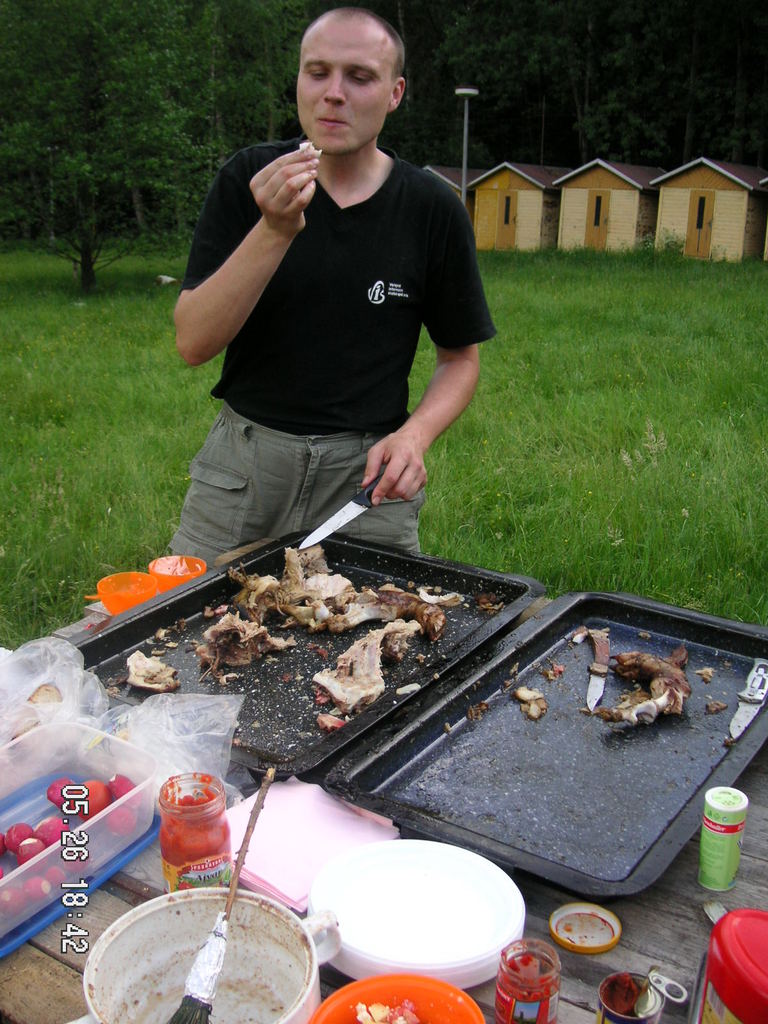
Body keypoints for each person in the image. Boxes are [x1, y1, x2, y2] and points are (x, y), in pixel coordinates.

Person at [170, 6, 495, 564]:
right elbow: (193, 343)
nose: (333, 94)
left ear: (395, 93)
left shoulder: (430, 208)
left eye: (360, 77)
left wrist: (414, 437)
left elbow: (460, 358)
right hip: (245, 466)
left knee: (383, 617)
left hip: (368, 479)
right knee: (188, 613)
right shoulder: (249, 180)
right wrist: (274, 229)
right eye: (317, 72)